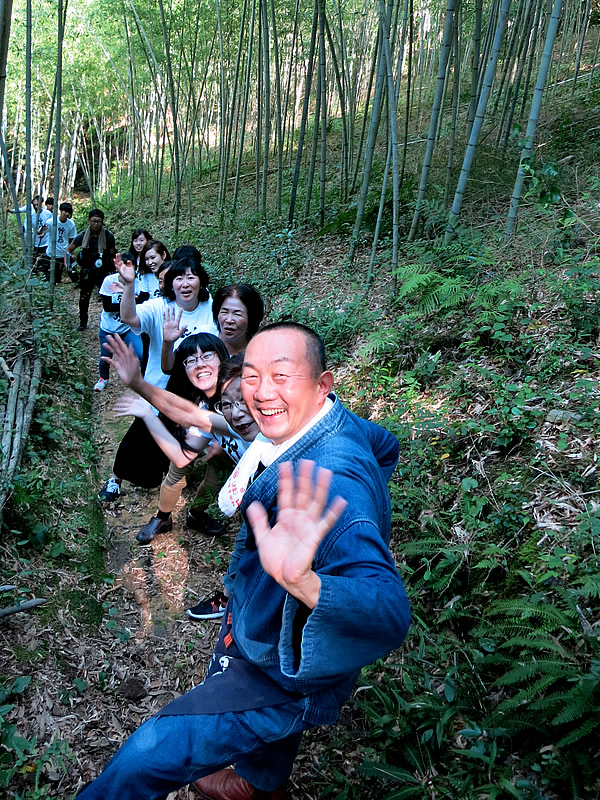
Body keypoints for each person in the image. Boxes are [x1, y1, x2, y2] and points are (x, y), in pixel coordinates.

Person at [76, 321, 410, 800]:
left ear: (323, 384)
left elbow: (388, 609)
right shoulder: (318, 421)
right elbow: (386, 446)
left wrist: (306, 581)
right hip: (269, 616)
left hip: (280, 664)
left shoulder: (330, 480)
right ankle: (257, 783)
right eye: (250, 377)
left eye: (281, 376)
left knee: (146, 754)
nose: (259, 393)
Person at [97, 256, 217, 502]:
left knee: (171, 438)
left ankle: (163, 481)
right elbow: (130, 317)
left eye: (191, 276)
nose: (185, 283)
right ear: (170, 283)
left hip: (191, 394)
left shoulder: (210, 309)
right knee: (138, 436)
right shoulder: (159, 306)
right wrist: (129, 286)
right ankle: (115, 479)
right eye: (179, 278)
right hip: (158, 386)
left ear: (201, 282)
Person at [93, 252, 144, 393]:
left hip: (128, 328)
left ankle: (144, 378)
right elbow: (108, 307)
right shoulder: (109, 281)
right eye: (122, 268)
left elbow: (143, 303)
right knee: (105, 357)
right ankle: (103, 378)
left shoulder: (139, 283)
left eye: (130, 268)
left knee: (142, 353)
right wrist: (131, 300)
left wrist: (130, 295)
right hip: (108, 328)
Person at [66, 209, 117, 331]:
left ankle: (109, 322)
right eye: (93, 221)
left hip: (103, 271)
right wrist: (71, 265)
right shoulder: (83, 236)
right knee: (84, 297)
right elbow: (68, 250)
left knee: (107, 297)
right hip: (87, 271)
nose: (96, 224)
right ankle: (83, 322)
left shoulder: (108, 236)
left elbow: (112, 254)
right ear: (89, 221)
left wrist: (114, 270)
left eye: (99, 221)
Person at [212, 284, 265, 356]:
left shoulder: (260, 351)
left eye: (237, 314)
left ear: (251, 318)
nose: (229, 320)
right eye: (224, 312)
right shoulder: (203, 336)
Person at [37, 202, 77, 283]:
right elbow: (41, 231)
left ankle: (77, 283)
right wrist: (41, 232)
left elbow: (72, 240)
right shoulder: (51, 222)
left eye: (68, 212)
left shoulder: (71, 224)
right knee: (47, 273)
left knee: (72, 271)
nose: (66, 214)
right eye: (65, 211)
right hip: (52, 252)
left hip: (65, 252)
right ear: (60, 211)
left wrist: (72, 252)